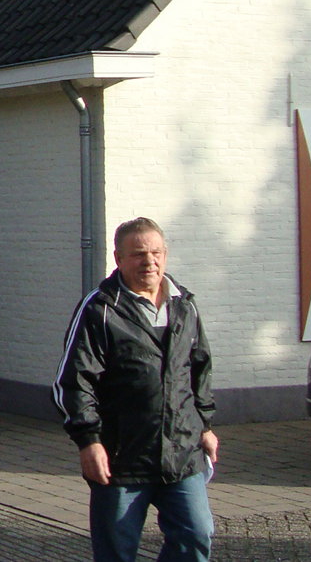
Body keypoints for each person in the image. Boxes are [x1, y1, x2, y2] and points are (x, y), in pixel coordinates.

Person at [55, 217, 217, 562]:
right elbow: (74, 381)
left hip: (181, 453)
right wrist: (89, 441)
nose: (149, 262)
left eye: (156, 253)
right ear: (118, 259)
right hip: (121, 458)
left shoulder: (184, 305)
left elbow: (199, 369)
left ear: (165, 254)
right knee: (116, 553)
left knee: (196, 536)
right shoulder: (100, 309)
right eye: (139, 254)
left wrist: (204, 425)